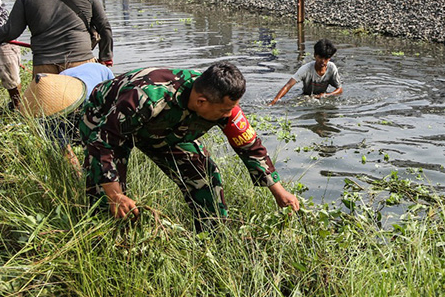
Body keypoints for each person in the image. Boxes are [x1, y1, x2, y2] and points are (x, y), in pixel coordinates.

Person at [80, 62, 299, 230]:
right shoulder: (149, 96)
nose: (228, 115)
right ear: (201, 102)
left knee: (204, 173)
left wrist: (278, 191)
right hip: (107, 120)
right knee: (106, 197)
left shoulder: (224, 105)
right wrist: (115, 194)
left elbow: (249, 145)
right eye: (224, 111)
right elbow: (103, 140)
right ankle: (109, 241)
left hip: (162, 129)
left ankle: (211, 237)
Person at [21, 62, 115, 168]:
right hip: (69, 80)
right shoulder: (47, 116)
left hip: (100, 76)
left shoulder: (91, 97)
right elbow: (65, 152)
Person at [269, 38, 342, 104]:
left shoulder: (332, 68)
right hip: (306, 97)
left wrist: (326, 95)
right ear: (315, 55)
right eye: (320, 57)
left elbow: (339, 89)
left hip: (323, 96)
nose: (323, 61)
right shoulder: (306, 69)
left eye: (326, 58)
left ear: (329, 58)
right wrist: (274, 101)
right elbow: (288, 86)